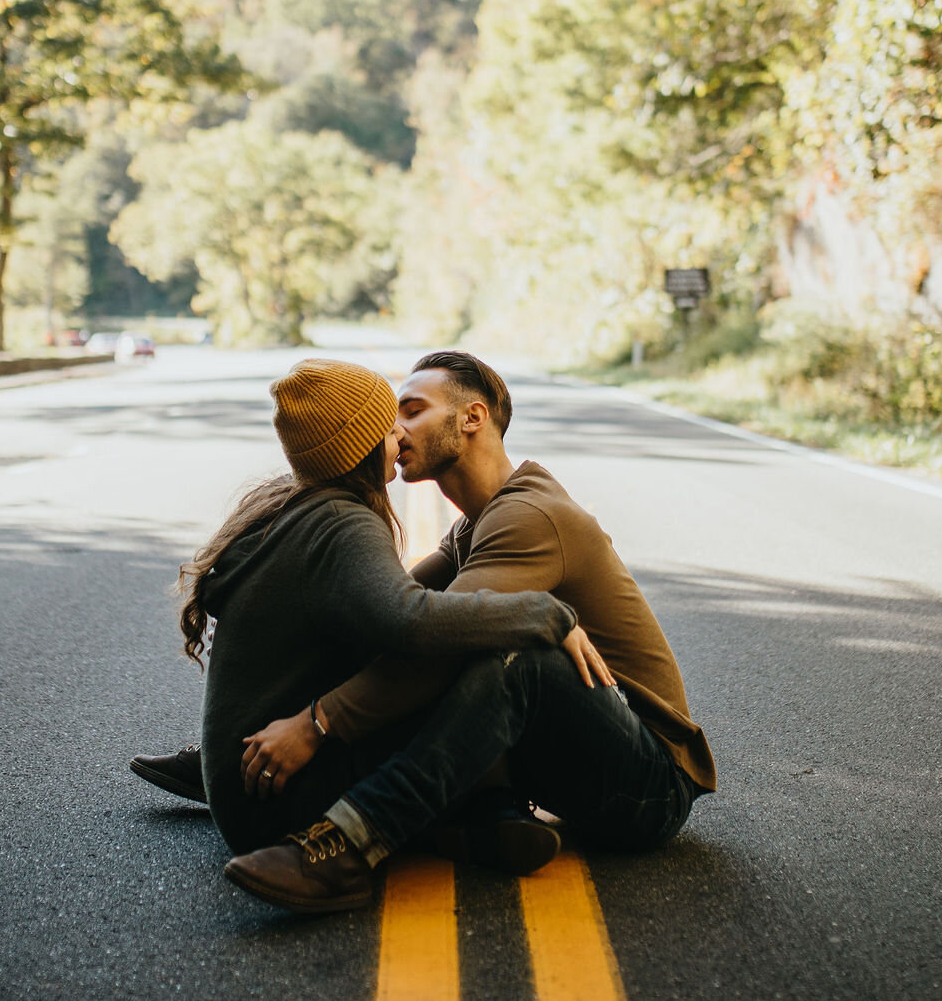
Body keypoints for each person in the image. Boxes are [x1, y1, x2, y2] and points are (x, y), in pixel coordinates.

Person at [139, 351, 716, 913]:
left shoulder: (529, 518)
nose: (395, 428)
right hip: (575, 754)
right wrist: (246, 728)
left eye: (412, 409)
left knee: (512, 651)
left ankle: (353, 842)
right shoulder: (472, 526)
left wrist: (316, 723)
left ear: (472, 419)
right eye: (390, 416)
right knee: (450, 635)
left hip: (646, 782)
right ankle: (479, 817)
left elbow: (426, 644)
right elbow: (390, 623)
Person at [179, 356, 601, 881]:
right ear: (357, 445)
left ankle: (474, 823)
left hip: (246, 782)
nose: (399, 435)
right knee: (472, 662)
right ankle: (457, 818)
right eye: (388, 424)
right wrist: (544, 613)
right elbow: (415, 619)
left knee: (439, 657)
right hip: (280, 804)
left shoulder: (294, 507)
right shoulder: (342, 524)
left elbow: (413, 597)